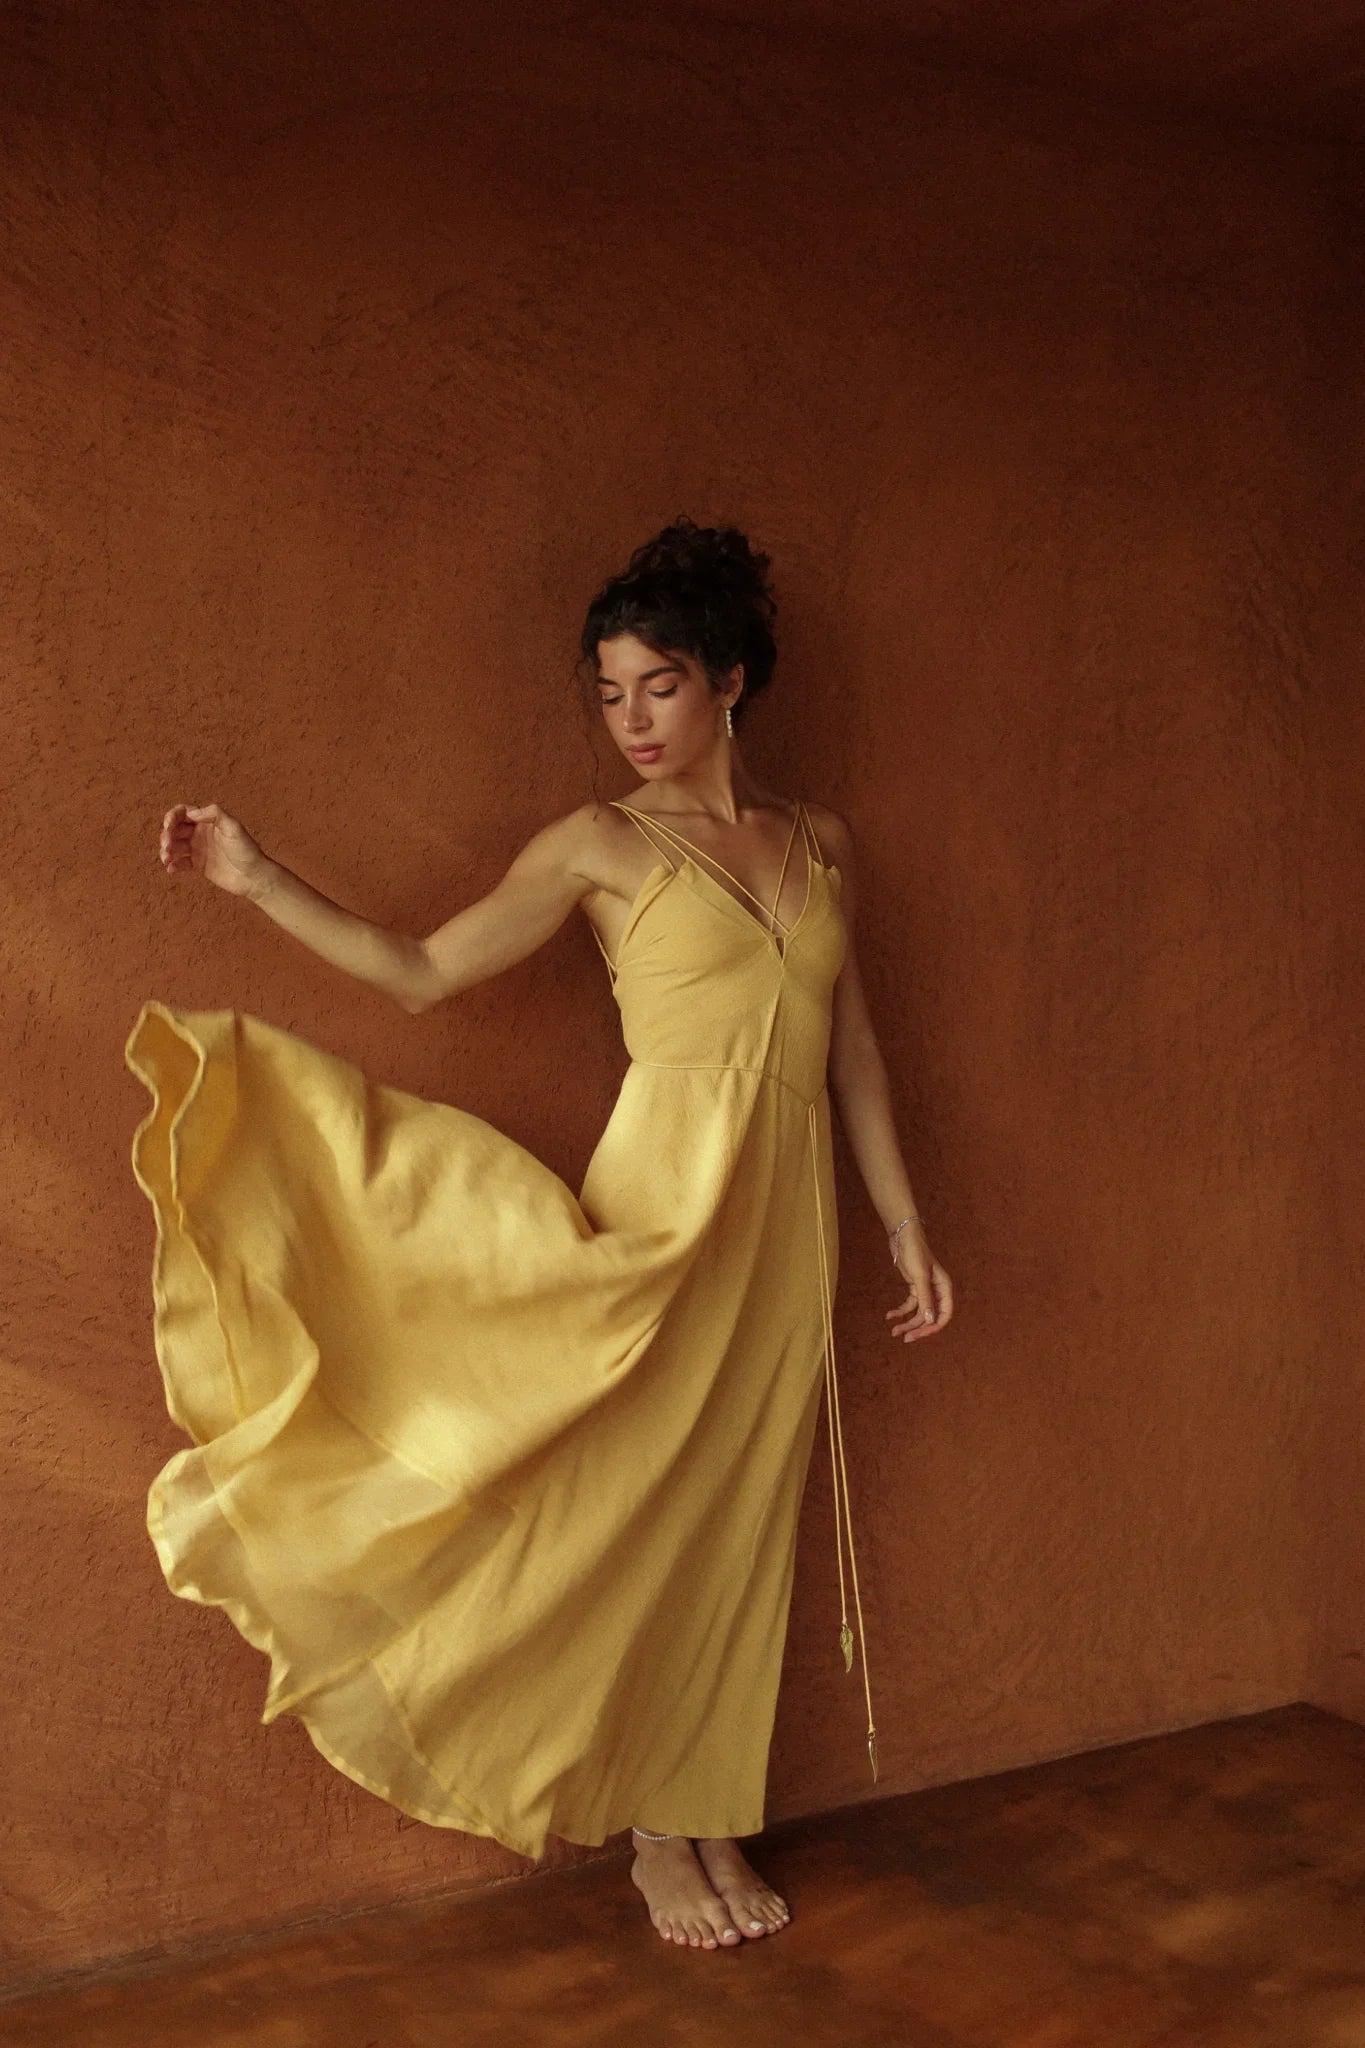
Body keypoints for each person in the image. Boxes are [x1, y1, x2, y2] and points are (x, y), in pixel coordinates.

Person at [125, 516, 953, 1955]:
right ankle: (651, 1834)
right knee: (621, 1505)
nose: (631, 720)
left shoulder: (820, 843)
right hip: (665, 1219)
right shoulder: (595, 847)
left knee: (735, 1529)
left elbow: (854, 1049)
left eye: (660, 686)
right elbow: (427, 972)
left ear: (731, 683)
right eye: (611, 690)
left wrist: (900, 1226)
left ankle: (701, 1808)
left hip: (787, 1231)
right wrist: (257, 880)